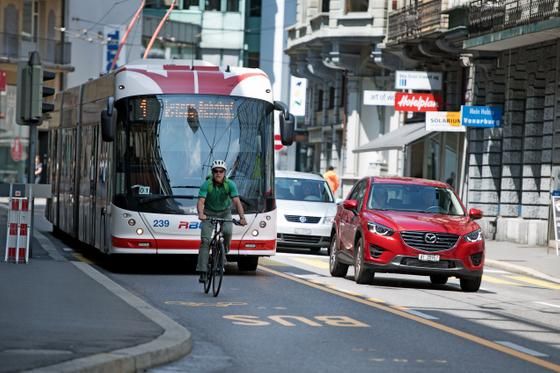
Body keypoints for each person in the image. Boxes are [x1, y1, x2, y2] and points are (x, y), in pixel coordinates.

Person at [197, 160, 247, 283]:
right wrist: (201, 214)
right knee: (205, 241)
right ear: (212, 172)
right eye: (215, 171)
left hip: (225, 212)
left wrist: (242, 217)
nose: (218, 173)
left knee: (228, 232)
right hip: (208, 213)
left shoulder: (230, 184)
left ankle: (223, 254)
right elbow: (201, 201)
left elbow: (236, 201)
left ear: (225, 173)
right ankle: (203, 271)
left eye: (221, 171)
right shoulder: (206, 184)